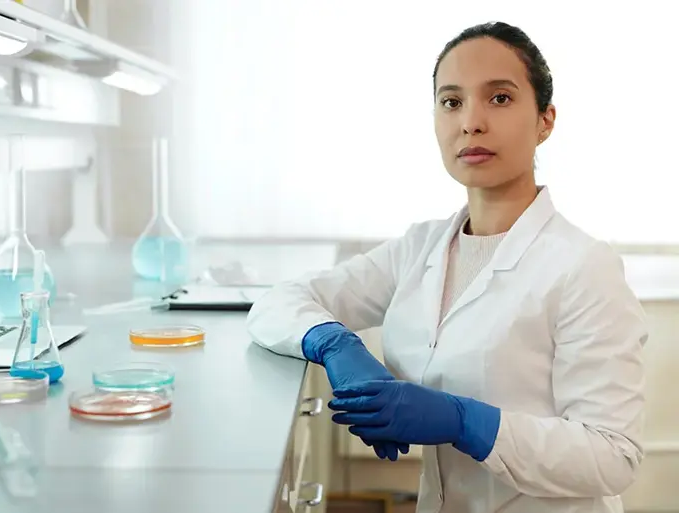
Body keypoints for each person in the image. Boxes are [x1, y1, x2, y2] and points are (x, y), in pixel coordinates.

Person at [246, 20, 649, 513]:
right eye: (452, 101)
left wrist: (466, 422)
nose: (470, 122)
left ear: (545, 120)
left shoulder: (583, 266)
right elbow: (276, 301)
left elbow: (613, 456)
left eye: (499, 98)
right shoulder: (422, 247)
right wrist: (335, 343)